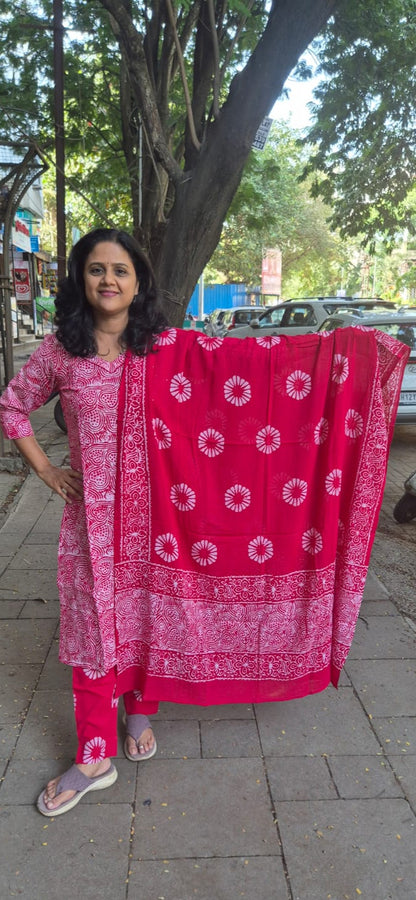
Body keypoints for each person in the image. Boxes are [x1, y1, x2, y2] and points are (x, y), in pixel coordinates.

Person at [0, 228, 168, 816]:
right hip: (91, 524)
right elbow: (11, 404)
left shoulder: (167, 349)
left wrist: (342, 354)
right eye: (96, 269)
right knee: (94, 629)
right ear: (81, 279)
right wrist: (46, 470)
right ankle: (94, 755)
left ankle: (139, 709)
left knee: (147, 612)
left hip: (158, 517)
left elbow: (238, 384)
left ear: (138, 279)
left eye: (120, 269)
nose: (109, 280)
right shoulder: (60, 351)